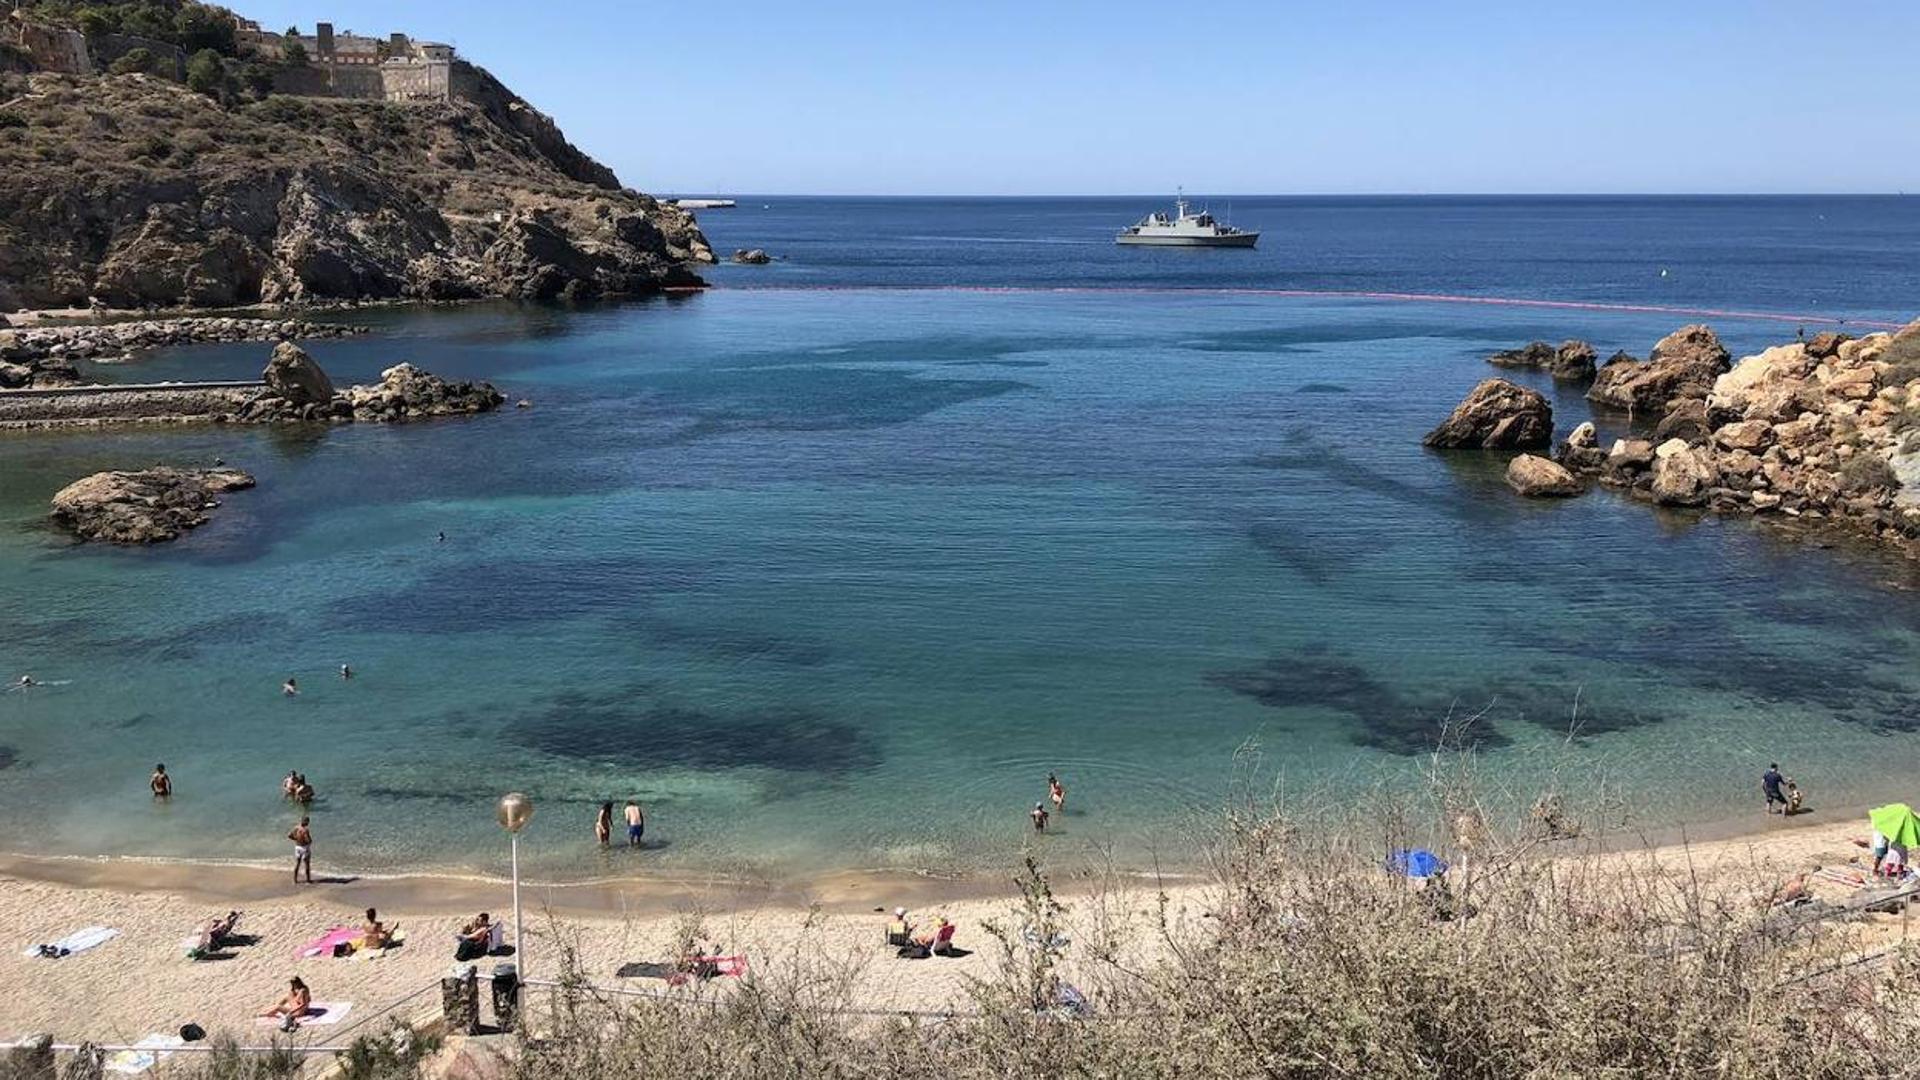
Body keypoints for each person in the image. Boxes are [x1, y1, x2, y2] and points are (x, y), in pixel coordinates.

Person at [289, 816, 313, 884]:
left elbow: (289, 835)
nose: (308, 823)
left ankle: (295, 880)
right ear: (306, 822)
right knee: (307, 864)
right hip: (304, 847)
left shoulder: (296, 827)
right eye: (308, 821)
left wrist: (296, 839)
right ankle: (308, 880)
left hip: (297, 847)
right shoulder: (305, 830)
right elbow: (308, 840)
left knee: (297, 863)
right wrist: (310, 841)